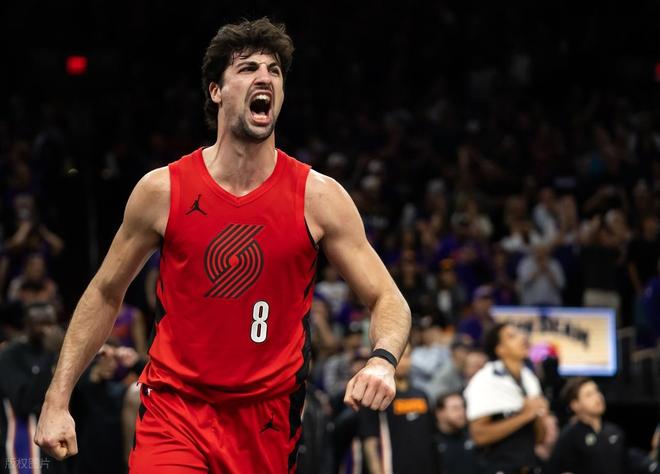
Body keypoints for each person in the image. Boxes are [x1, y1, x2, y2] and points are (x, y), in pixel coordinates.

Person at [35, 18, 411, 473]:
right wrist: (57, 399)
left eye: (274, 70)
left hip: (266, 421)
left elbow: (388, 298)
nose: (265, 78)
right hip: (175, 411)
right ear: (216, 91)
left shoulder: (319, 197)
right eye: (248, 68)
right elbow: (104, 292)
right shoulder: (163, 190)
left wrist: (382, 360)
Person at [464, 323, 549, 474]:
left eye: (520, 333)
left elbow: (540, 438)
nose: (522, 338)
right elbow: (478, 436)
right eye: (512, 336)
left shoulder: (530, 378)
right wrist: (525, 415)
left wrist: (540, 416)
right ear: (499, 349)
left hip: (529, 467)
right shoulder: (486, 380)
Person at [359, 345, 437, 474]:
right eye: (399, 357)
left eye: (406, 356)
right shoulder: (376, 395)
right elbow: (370, 443)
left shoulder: (422, 395)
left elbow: (432, 438)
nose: (403, 362)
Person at [547, 377, 627, 474]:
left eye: (597, 391)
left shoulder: (615, 431)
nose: (597, 397)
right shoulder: (569, 437)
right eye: (589, 395)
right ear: (575, 405)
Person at [433, 392, 478, 474]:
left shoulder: (472, 436)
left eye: (463, 407)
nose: (462, 413)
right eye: (455, 408)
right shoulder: (431, 442)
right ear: (439, 413)